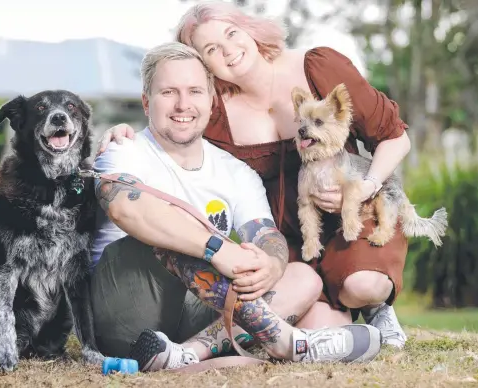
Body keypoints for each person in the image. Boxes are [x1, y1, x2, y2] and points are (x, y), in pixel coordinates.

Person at [97, 2, 410, 349]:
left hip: (350, 207)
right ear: (204, 66)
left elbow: (394, 137)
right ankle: (240, 346)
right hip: (288, 234)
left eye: (231, 34)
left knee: (361, 285)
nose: (228, 51)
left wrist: (365, 188)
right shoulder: (215, 111)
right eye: (211, 49)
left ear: (250, 29)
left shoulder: (318, 67)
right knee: (319, 320)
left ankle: (375, 305)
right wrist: (124, 132)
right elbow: (174, 121)